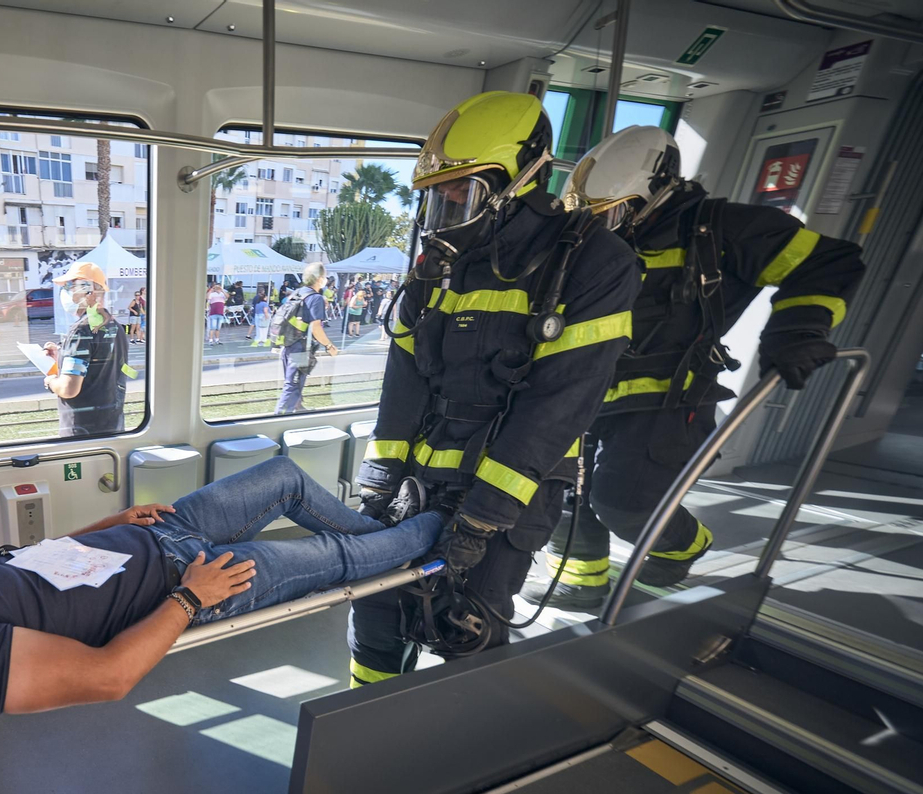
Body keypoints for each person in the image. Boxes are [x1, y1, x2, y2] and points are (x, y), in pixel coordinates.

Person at [349, 91, 641, 682]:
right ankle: (358, 744)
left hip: (510, 487)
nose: (448, 204)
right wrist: (379, 482)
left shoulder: (595, 264)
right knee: (374, 607)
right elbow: (401, 385)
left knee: (467, 627)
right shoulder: (436, 268)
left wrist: (481, 519)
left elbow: (557, 407)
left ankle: (454, 756)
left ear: (521, 180)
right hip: (420, 477)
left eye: (465, 188)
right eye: (438, 194)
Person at [0, 457, 442, 715]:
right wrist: (192, 597)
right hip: (193, 587)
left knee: (287, 478)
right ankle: (456, 526)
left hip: (164, 531)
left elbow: (29, 561)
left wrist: (110, 520)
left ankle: (378, 534)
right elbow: (108, 677)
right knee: (338, 556)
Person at [527, 126, 866, 609]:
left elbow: (829, 261)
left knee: (623, 501)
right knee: (564, 491)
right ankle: (583, 581)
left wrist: (797, 332)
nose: (606, 227)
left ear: (656, 191)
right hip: (584, 389)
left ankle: (686, 543)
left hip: (669, 398)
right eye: (596, 216)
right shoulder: (590, 233)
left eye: (617, 212)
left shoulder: (723, 228)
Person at [46, 261, 130, 437]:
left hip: (82, 430)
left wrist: (51, 382)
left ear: (87, 291)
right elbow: (97, 366)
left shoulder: (81, 330)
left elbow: (69, 389)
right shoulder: (114, 326)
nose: (65, 292)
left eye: (69, 286)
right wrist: (61, 356)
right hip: (111, 425)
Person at [274, 261, 339, 414]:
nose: (326, 280)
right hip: (301, 348)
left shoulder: (298, 293)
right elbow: (316, 327)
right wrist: (329, 346)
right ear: (319, 279)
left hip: (288, 344)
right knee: (293, 385)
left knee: (293, 381)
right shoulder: (315, 298)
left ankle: (298, 407)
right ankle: (280, 417)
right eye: (325, 276)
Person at [206, 280, 227, 345]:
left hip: (220, 313)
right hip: (213, 313)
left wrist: (222, 290)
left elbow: (227, 296)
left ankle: (217, 340)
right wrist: (212, 289)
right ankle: (210, 340)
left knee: (218, 328)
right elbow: (207, 297)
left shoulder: (222, 294)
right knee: (213, 327)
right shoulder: (212, 294)